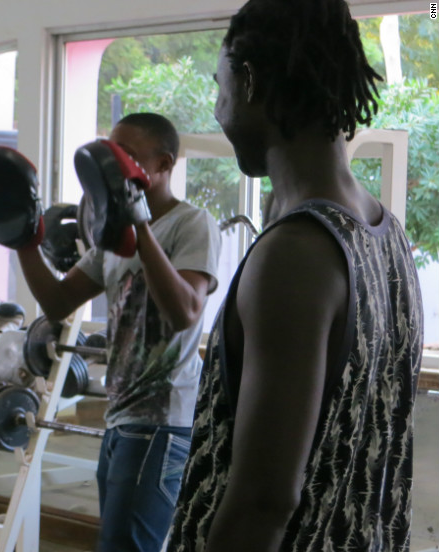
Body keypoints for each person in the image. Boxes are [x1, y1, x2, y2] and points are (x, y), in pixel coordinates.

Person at [166, 0, 424, 550]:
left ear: (250, 81)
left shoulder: (296, 255)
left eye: (220, 85)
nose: (216, 108)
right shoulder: (388, 234)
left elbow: (265, 501)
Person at [20, 113, 222, 551]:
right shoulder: (112, 236)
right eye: (112, 155)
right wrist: (24, 242)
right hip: (121, 417)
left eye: (127, 156)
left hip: (162, 422)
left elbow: (185, 310)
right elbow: (57, 303)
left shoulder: (192, 224)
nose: (115, 167)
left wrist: (141, 225)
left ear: (164, 164)